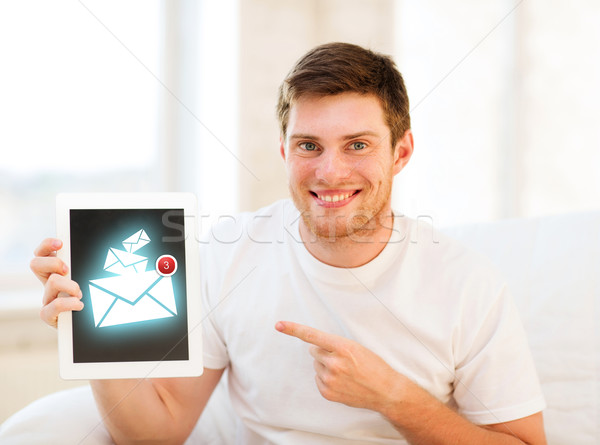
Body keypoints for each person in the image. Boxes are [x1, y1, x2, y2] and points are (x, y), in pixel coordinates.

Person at [30, 42, 547, 444]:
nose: (330, 171)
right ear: (283, 150)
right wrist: (90, 334)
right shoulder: (227, 257)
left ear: (402, 151)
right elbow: (156, 433)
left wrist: (394, 397)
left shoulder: (468, 284)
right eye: (309, 145)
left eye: (358, 145)